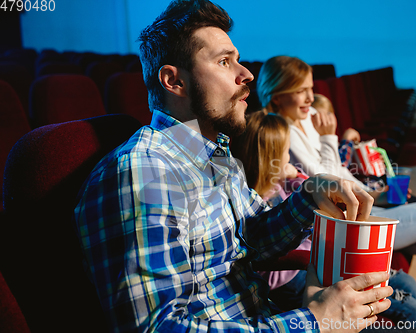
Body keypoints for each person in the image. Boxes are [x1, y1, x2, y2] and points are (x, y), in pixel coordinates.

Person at [73, 2, 395, 332]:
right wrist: (313, 322)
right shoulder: (144, 174)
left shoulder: (216, 153)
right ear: (174, 81)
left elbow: (253, 238)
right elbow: (157, 327)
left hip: (262, 317)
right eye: (224, 62)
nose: (247, 74)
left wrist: (310, 196)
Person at [256, 55, 416, 323]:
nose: (310, 98)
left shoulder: (307, 119)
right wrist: (329, 137)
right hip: (349, 221)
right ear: (277, 96)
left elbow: (339, 171)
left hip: (363, 203)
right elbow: (325, 183)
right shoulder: (278, 133)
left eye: (311, 89)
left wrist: (374, 192)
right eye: (301, 91)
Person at [232, 110, 416, 326]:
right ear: (273, 158)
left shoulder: (281, 185)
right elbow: (265, 266)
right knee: (408, 306)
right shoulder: (260, 201)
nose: (290, 158)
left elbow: (310, 190)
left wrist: (295, 175)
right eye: (286, 151)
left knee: (407, 282)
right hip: (297, 278)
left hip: (324, 260)